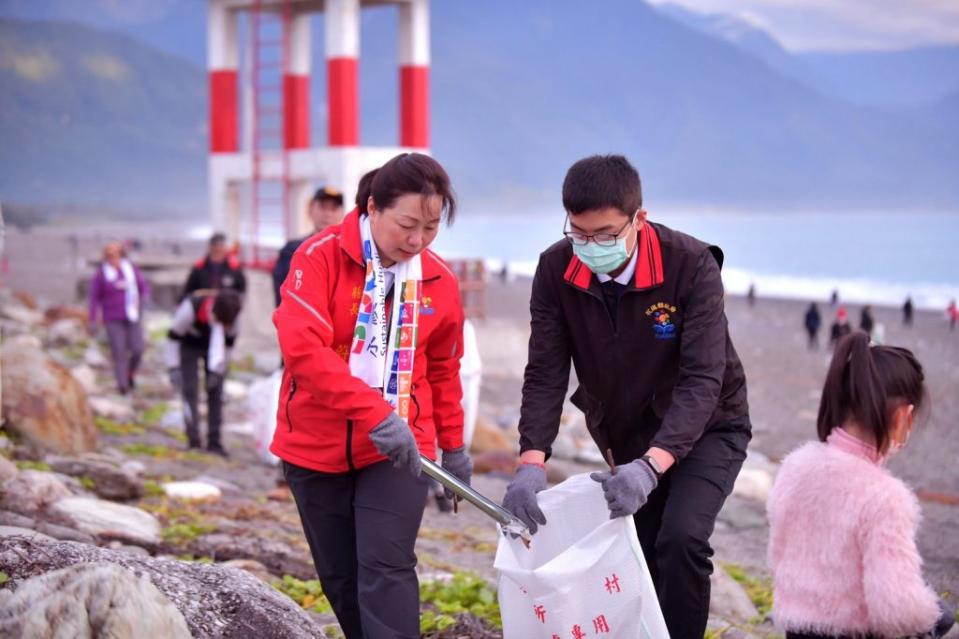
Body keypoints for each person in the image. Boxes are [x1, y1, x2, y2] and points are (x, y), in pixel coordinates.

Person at [501, 155, 749, 638]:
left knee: (682, 540)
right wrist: (531, 461)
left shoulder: (691, 265)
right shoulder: (555, 269)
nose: (591, 247)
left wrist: (652, 465)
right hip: (625, 428)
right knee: (643, 544)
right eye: (580, 233)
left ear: (640, 219)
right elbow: (546, 371)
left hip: (710, 425)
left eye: (607, 235)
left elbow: (703, 378)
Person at [270, 153, 472, 639]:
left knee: (386, 565)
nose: (416, 240)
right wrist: (374, 414)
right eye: (406, 224)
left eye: (429, 228)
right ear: (372, 208)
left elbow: (443, 368)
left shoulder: (438, 280)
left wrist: (455, 444)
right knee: (341, 578)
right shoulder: (317, 258)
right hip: (316, 445)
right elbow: (304, 351)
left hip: (402, 444)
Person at [767, 332, 955, 639]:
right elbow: (896, 609)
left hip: (796, 628)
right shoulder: (885, 497)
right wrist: (935, 613)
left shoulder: (795, 467)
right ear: (902, 417)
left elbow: (779, 556)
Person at [165, 290, 242, 456]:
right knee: (189, 390)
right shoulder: (191, 308)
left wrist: (219, 372)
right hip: (188, 346)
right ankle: (193, 440)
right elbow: (172, 338)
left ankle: (214, 442)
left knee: (216, 392)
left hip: (216, 351)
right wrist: (173, 367)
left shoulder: (233, 320)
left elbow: (228, 349)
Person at [88, 242, 150, 394]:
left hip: (132, 315)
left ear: (120, 255)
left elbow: (143, 288)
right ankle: (122, 386)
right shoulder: (101, 274)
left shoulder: (130, 269)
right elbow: (94, 298)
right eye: (109, 255)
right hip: (112, 318)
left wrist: (142, 301)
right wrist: (93, 319)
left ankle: (130, 373)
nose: (112, 258)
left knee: (138, 349)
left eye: (115, 254)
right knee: (119, 351)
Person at [271, 186, 346, 307]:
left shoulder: (348, 252)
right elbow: (282, 296)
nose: (327, 214)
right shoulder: (291, 250)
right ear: (310, 210)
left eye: (333, 209)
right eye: (322, 207)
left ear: (342, 213)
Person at [182, 232, 246, 300]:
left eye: (220, 246)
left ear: (225, 248)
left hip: (228, 306)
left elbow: (241, 291)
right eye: (215, 246)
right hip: (201, 305)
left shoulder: (233, 268)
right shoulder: (199, 267)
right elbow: (189, 290)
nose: (217, 249)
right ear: (210, 248)